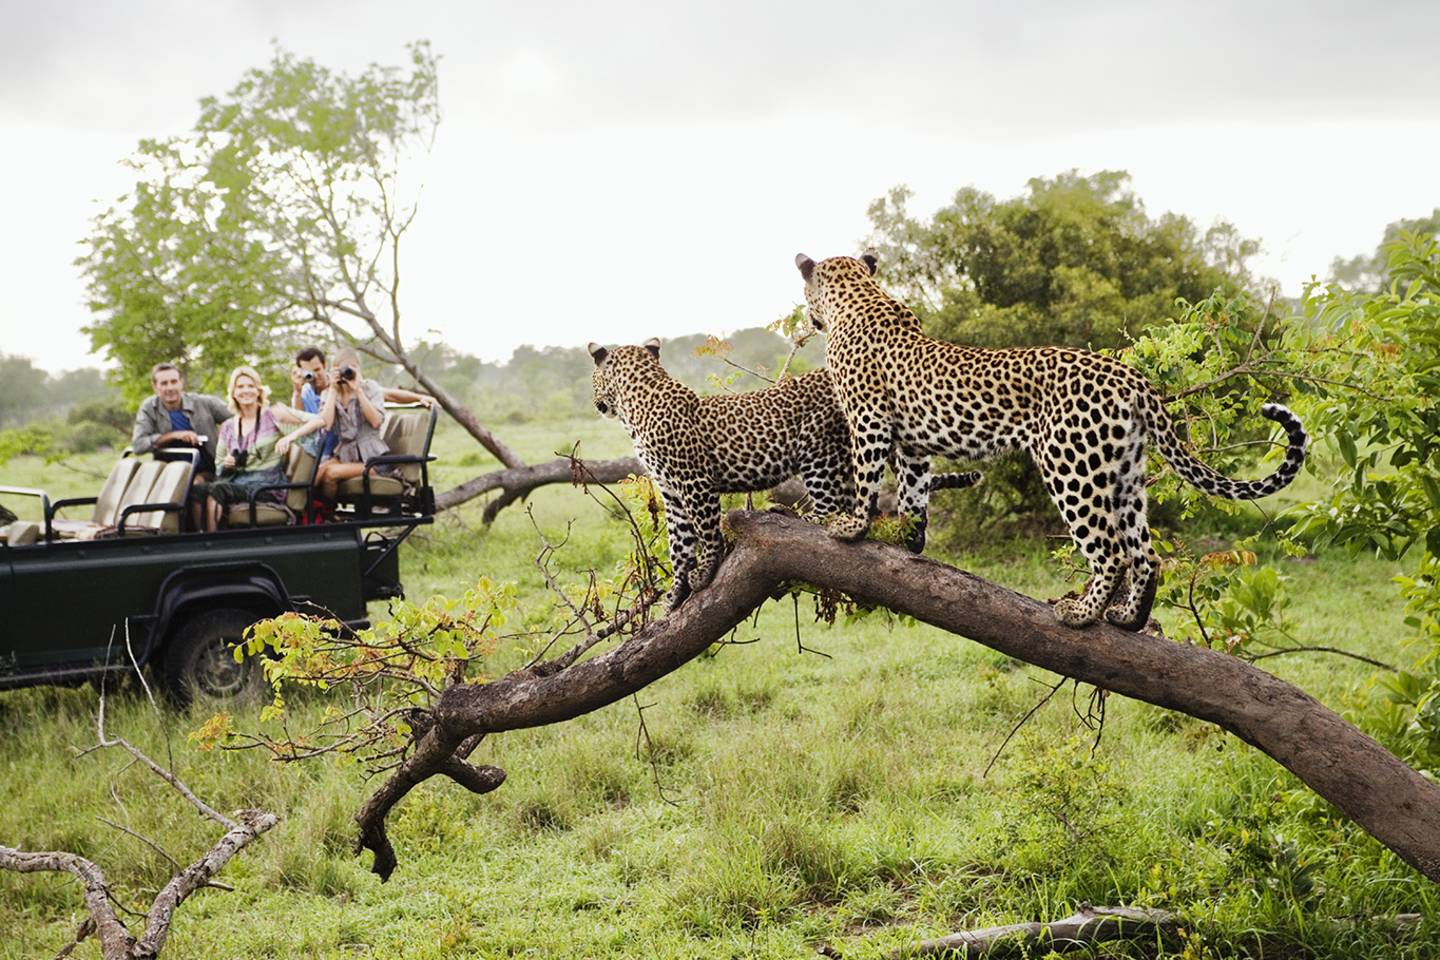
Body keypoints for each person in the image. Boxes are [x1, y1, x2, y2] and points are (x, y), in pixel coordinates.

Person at [201, 366, 326, 532]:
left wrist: (290, 436)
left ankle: (212, 544)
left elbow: (319, 421)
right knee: (198, 491)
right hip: (238, 483)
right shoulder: (227, 427)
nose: (246, 390)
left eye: (250, 386)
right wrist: (228, 464)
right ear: (233, 392)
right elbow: (219, 467)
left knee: (218, 489)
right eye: (240, 387)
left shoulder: (272, 415)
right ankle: (198, 537)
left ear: (258, 390)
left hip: (267, 486)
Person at [313, 350, 399, 503]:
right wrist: (333, 389)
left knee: (331, 472)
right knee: (318, 472)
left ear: (359, 369)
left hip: (374, 460)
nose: (347, 372)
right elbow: (325, 425)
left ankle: (323, 515)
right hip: (346, 456)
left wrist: (358, 390)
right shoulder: (329, 393)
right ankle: (320, 516)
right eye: (342, 369)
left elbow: (376, 421)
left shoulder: (370, 388)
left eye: (351, 368)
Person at [131, 363, 231, 475]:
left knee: (195, 485)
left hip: (207, 470)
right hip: (169, 473)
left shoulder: (204, 403)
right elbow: (138, 446)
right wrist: (174, 435)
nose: (170, 388)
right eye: (164, 383)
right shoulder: (149, 407)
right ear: (155, 386)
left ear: (181, 382)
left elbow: (239, 418)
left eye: (174, 382)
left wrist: (229, 446)